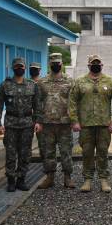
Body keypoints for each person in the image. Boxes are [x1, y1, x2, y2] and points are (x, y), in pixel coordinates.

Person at [69, 54, 112, 193]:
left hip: (104, 125)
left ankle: (104, 179)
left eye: (98, 63)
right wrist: (74, 120)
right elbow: (72, 102)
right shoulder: (79, 82)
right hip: (85, 125)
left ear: (102, 65)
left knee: (103, 152)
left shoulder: (110, 82)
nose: (96, 65)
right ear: (88, 65)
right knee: (86, 152)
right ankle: (87, 179)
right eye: (93, 63)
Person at [0, 57, 41, 192]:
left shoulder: (32, 85)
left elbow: (37, 106)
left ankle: (21, 179)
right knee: (10, 153)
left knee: (25, 153)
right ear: (13, 68)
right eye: (17, 67)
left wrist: (37, 122)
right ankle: (10, 180)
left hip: (27, 124)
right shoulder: (5, 85)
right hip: (11, 124)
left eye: (21, 66)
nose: (19, 69)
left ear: (25, 68)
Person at [35, 53, 75, 189]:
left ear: (62, 64)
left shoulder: (70, 81)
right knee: (48, 151)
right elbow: (37, 103)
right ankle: (49, 177)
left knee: (66, 151)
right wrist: (38, 122)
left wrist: (75, 120)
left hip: (64, 123)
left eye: (58, 63)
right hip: (47, 124)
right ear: (49, 64)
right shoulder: (42, 82)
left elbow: (74, 102)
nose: (56, 65)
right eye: (53, 63)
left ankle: (67, 177)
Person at [29, 61, 45, 161]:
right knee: (26, 143)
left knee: (43, 143)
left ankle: (45, 164)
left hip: (41, 117)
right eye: (32, 68)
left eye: (36, 68)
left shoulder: (43, 83)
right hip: (27, 117)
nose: (34, 70)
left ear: (39, 70)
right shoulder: (26, 83)